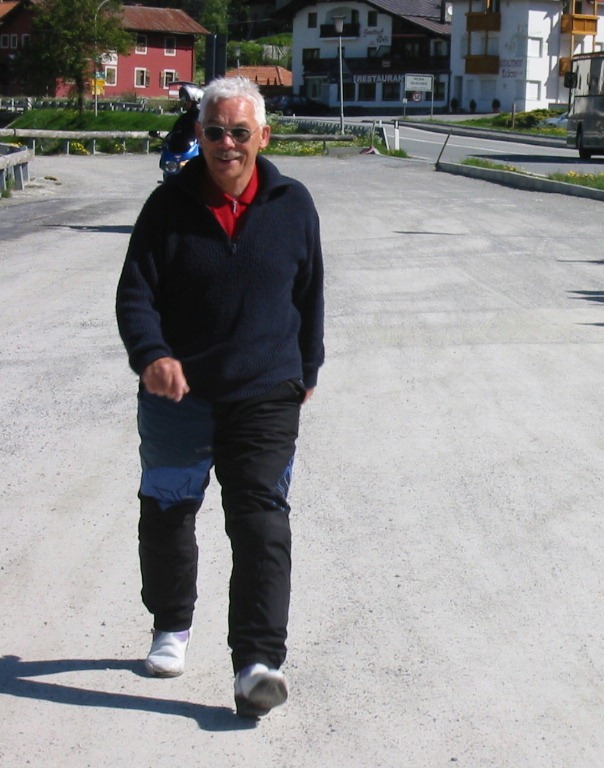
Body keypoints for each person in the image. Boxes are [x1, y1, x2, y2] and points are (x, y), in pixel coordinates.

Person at [116, 76, 325, 718]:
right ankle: (171, 624)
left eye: (239, 132)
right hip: (179, 395)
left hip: (265, 391)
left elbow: (309, 292)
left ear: (264, 136)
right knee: (168, 510)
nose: (226, 144)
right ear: (198, 136)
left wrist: (307, 367)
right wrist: (153, 356)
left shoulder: (293, 204)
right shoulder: (167, 207)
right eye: (214, 132)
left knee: (261, 519)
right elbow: (135, 294)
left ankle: (258, 665)